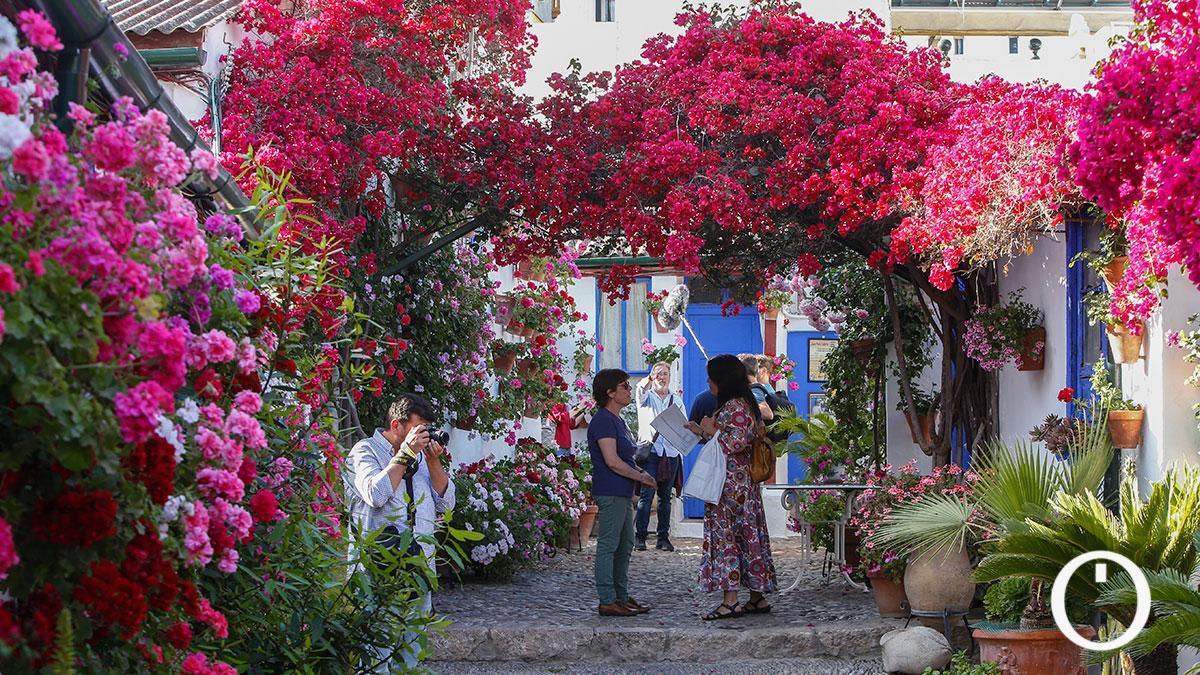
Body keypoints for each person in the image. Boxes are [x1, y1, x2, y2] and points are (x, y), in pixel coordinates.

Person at [344, 393, 456, 669]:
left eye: (427, 431)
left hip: (418, 564)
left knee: (411, 650)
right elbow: (375, 494)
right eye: (419, 429)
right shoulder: (364, 451)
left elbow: (447, 502)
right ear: (397, 425)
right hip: (376, 567)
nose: (424, 437)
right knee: (375, 651)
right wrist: (405, 454)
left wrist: (432, 461)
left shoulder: (422, 458)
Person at [686, 354, 778, 620]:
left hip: (729, 485)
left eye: (711, 377)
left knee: (728, 538)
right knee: (747, 536)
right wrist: (702, 430)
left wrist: (708, 430)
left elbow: (734, 443)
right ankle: (756, 598)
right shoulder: (745, 402)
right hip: (741, 485)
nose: (708, 382)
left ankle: (731, 600)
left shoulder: (735, 405)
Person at [588, 368, 658, 617]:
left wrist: (641, 472)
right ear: (610, 392)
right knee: (609, 545)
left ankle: (621, 596)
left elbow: (626, 458)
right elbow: (612, 461)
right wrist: (641, 476)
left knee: (625, 543)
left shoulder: (617, 420)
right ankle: (607, 599)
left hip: (623, 491)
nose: (629, 390)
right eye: (624, 386)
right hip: (610, 490)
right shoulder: (604, 420)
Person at [633, 361, 686, 551]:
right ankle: (640, 538)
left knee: (665, 497)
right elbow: (639, 389)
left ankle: (663, 538)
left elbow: (683, 426)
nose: (662, 377)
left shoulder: (677, 400)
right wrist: (649, 377)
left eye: (665, 374)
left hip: (671, 452)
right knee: (646, 496)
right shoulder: (646, 397)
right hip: (652, 451)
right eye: (659, 374)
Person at [739, 353, 775, 423]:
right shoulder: (770, 391)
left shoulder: (757, 389)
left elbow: (767, 414)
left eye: (756, 367)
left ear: (764, 371)